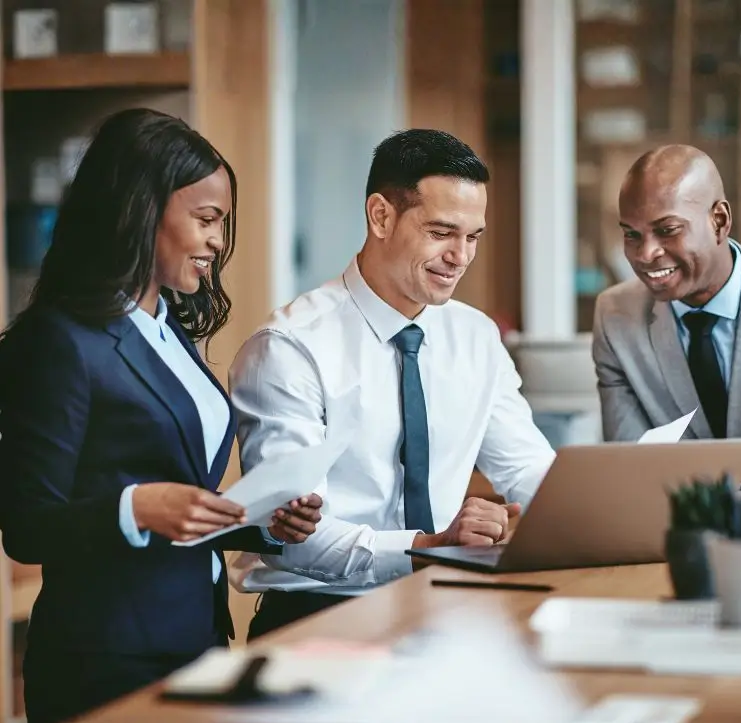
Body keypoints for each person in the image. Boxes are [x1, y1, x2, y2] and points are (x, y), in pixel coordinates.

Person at [0, 108, 321, 723]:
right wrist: (137, 507)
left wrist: (258, 522)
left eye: (223, 224)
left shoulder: (168, 334)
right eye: (205, 220)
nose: (218, 242)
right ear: (140, 210)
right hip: (104, 661)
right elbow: (28, 526)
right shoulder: (62, 339)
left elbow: (174, 497)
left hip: (195, 639)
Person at [228, 128, 556, 639]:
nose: (461, 256)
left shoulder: (475, 337)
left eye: (472, 237)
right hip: (319, 621)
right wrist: (429, 546)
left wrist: (593, 516)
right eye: (442, 232)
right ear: (381, 216)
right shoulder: (290, 348)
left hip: (448, 612)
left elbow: (527, 468)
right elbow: (294, 538)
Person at [593, 144, 741, 481]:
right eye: (632, 235)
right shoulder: (615, 316)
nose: (646, 254)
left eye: (667, 230)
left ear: (719, 221)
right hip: (676, 525)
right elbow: (629, 465)